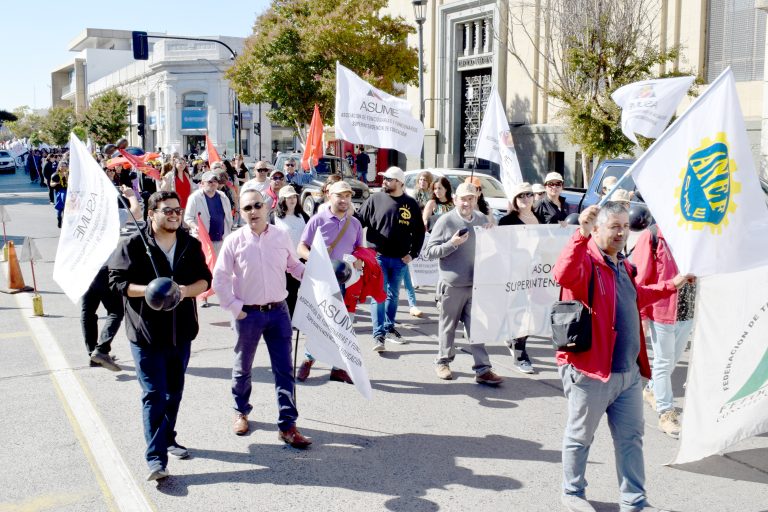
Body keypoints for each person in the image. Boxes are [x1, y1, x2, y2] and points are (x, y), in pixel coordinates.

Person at [553, 202, 693, 512]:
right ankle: (572, 493)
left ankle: (634, 501)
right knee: (580, 437)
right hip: (591, 372)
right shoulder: (586, 262)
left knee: (631, 440)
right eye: (614, 226)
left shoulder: (624, 266)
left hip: (628, 374)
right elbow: (562, 273)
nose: (620, 232)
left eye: (624, 227)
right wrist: (580, 234)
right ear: (598, 228)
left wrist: (674, 284)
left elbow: (637, 295)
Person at [108, 190, 212, 481]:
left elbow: (205, 279)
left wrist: (181, 292)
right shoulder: (132, 245)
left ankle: (168, 436)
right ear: (151, 213)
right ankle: (156, 460)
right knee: (154, 394)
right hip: (146, 334)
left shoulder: (190, 245)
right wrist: (151, 290)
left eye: (177, 210)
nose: (174, 214)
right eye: (167, 210)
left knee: (174, 392)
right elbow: (117, 283)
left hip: (182, 334)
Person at [212, 189, 312, 448]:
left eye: (257, 205)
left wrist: (315, 275)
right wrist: (235, 308)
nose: (253, 211)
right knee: (243, 368)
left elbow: (293, 265)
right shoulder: (234, 241)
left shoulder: (281, 236)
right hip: (249, 315)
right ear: (241, 212)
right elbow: (219, 279)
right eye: (247, 208)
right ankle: (241, 410)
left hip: (279, 312)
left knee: (283, 370)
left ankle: (288, 425)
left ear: (267, 206)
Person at [424, 183, 502, 384]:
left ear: (476, 199)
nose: (466, 202)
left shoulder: (482, 219)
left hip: (476, 285)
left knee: (477, 328)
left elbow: (492, 248)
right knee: (448, 327)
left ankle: (483, 369)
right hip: (452, 285)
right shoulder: (445, 221)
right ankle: (443, 362)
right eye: (463, 198)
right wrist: (452, 244)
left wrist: (492, 233)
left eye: (471, 198)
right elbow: (429, 252)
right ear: (455, 199)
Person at [296, 181, 364, 384]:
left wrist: (360, 261)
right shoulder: (318, 220)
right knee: (322, 324)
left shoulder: (355, 224)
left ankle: (338, 368)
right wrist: (314, 258)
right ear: (329, 196)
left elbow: (360, 249)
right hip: (322, 283)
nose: (344, 200)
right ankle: (308, 359)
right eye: (339, 196)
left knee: (341, 326)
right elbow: (301, 247)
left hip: (345, 282)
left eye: (347, 196)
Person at [633, 225, 695, 438]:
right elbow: (639, 280)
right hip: (662, 309)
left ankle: (651, 390)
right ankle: (666, 413)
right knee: (663, 362)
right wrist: (641, 316)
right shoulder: (652, 236)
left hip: (688, 309)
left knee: (672, 360)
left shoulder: (696, 233)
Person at [356, 167, 425, 351]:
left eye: (388, 179)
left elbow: (419, 232)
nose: (384, 181)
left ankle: (389, 327)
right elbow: (357, 222)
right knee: (378, 296)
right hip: (377, 257)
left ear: (400, 182)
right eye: (384, 178)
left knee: (393, 296)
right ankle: (378, 335)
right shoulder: (374, 199)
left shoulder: (410, 204)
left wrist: (414, 253)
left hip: (401, 260)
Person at [83, 185, 143, 372]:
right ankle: (101, 350)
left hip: (84, 268)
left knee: (88, 312)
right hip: (103, 270)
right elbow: (137, 213)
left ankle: (93, 353)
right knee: (116, 310)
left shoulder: (81, 216)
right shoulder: (111, 215)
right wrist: (132, 195)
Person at [499, 182, 539, 375]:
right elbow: (499, 246)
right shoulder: (507, 221)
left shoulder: (540, 218)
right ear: (515, 200)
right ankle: (520, 356)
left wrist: (562, 228)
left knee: (532, 313)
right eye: (521, 195)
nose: (525, 198)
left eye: (528, 194)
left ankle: (512, 339)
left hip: (537, 275)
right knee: (521, 314)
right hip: (515, 275)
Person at [274, 185, 309, 316]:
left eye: (294, 197)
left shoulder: (303, 216)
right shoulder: (274, 217)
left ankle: (293, 316)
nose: (292, 200)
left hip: (299, 259)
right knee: (283, 289)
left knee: (294, 289)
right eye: (289, 197)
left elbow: (310, 236)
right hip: (281, 260)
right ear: (282, 200)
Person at [183, 171, 233, 254]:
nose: (213, 183)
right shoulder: (195, 197)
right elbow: (188, 218)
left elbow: (228, 217)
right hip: (203, 241)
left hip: (222, 239)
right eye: (210, 181)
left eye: (215, 181)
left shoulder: (223, 196)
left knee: (219, 266)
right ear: (202, 183)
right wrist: (195, 227)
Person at [51, 159, 69, 229]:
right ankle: (59, 218)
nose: (63, 167)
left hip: (67, 191)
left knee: (66, 208)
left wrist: (66, 177)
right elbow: (51, 184)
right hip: (59, 192)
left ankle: (65, 222)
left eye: (65, 166)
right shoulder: (55, 175)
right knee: (60, 208)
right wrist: (56, 183)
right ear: (59, 167)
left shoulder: (69, 174)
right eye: (62, 166)